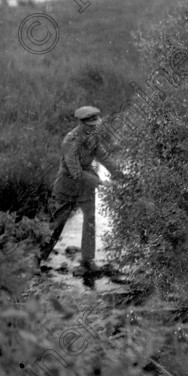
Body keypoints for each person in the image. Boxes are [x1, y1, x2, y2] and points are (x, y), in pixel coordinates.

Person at [39, 106, 123, 275]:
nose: (94, 128)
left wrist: (119, 174)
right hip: (67, 187)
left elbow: (103, 156)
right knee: (57, 224)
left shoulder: (94, 137)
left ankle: (87, 261)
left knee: (90, 221)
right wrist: (100, 182)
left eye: (96, 124)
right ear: (82, 124)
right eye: (91, 125)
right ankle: (37, 258)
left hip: (85, 188)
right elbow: (75, 172)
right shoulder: (70, 141)